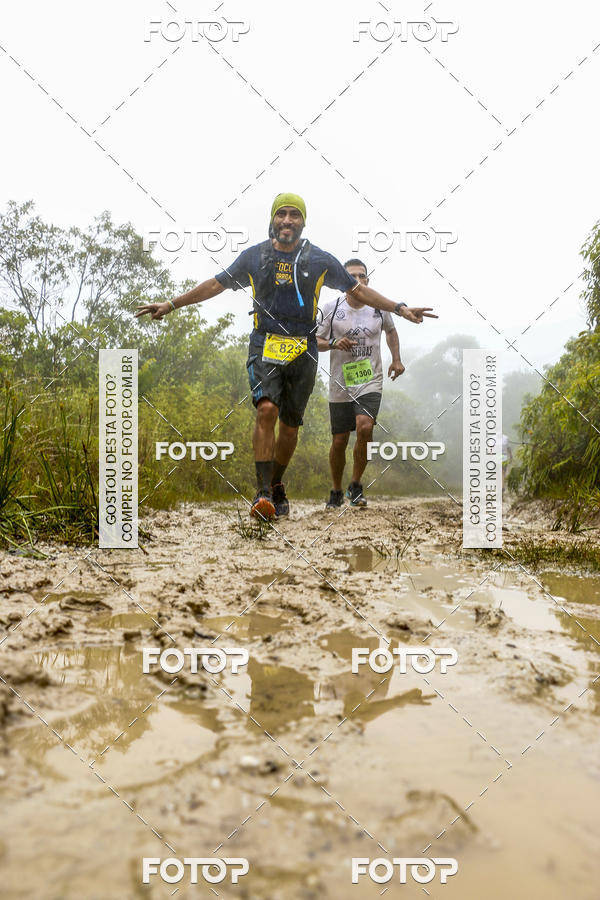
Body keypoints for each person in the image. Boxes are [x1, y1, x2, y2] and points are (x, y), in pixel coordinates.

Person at [135, 193, 436, 520]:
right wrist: (172, 304)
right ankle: (262, 492)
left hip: (303, 347)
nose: (287, 220)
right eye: (282, 214)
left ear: (303, 222)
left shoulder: (319, 260)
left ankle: (276, 484)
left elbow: (357, 290)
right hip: (265, 343)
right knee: (266, 409)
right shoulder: (253, 258)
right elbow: (216, 285)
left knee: (290, 428)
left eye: (294, 215)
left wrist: (400, 308)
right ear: (273, 219)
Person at [316, 259, 406, 509]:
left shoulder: (379, 307)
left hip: (370, 379)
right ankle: (336, 489)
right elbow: (314, 341)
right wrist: (334, 343)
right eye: (351, 276)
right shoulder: (330, 308)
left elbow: (390, 331)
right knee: (340, 440)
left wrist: (396, 359)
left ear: (368, 280)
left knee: (365, 428)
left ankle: (355, 485)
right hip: (340, 381)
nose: (357, 279)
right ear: (342, 282)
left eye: (362, 276)